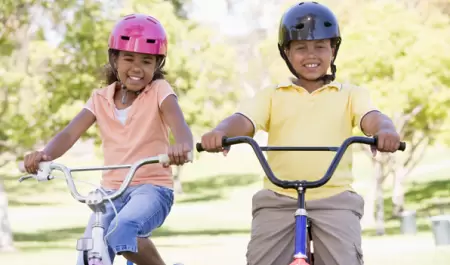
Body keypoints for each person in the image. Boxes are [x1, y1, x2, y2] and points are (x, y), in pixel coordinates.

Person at [199, 2, 402, 265]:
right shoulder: (273, 95)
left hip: (334, 197)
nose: (311, 55)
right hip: (278, 196)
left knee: (344, 259)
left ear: (333, 49)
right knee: (261, 260)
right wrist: (220, 132)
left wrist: (385, 130)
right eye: (301, 48)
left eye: (320, 46)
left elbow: (371, 118)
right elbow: (244, 120)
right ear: (286, 52)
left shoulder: (350, 94)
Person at [23, 13, 192, 265]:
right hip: (109, 194)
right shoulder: (100, 98)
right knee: (89, 251)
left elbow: (179, 125)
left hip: (152, 189)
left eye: (146, 61)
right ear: (114, 59)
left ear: (157, 64)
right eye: (128, 58)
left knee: (121, 231)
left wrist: (183, 146)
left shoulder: (159, 91)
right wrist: (45, 155)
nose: (137, 67)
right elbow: (70, 133)